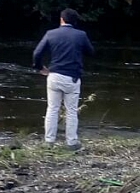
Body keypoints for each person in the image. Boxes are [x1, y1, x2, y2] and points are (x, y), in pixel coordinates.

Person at [32, 8, 94, 150]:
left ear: (61, 19)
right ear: (75, 21)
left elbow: (37, 53)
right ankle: (71, 143)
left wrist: (40, 68)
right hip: (72, 78)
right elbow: (91, 52)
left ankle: (49, 142)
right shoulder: (81, 35)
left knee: (52, 109)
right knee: (71, 111)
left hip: (54, 76)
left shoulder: (50, 33)